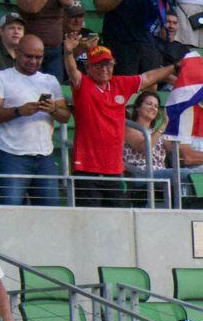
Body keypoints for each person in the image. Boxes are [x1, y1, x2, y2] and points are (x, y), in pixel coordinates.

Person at [64, 45, 176, 205]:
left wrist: (175, 66)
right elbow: (72, 71)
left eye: (108, 65)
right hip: (86, 167)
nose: (104, 69)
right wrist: (68, 52)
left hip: (114, 169)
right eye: (99, 65)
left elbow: (148, 78)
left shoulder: (119, 84)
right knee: (89, 221)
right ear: (88, 67)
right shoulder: (84, 84)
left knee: (118, 221)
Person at [0, 33, 67, 205]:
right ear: (17, 53)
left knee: (50, 213)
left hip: (44, 155)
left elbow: (65, 117)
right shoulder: (1, 77)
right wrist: (19, 111)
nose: (34, 61)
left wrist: (53, 109)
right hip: (11, 154)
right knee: (11, 210)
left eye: (38, 57)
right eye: (29, 56)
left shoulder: (50, 80)